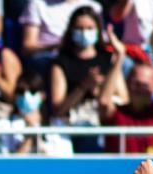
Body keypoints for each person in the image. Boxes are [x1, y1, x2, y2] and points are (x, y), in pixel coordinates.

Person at [99, 21, 153, 154]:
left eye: (145, 85)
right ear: (128, 83)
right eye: (136, 83)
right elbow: (104, 101)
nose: (140, 89)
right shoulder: (117, 114)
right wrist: (120, 56)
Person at [49, 6, 122, 151]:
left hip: (103, 122)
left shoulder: (107, 59)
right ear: (71, 30)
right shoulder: (61, 62)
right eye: (79, 28)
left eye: (89, 28)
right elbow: (58, 110)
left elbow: (123, 98)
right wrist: (83, 86)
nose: (84, 32)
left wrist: (101, 89)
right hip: (74, 123)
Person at [0, 69, 74, 154]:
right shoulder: (4, 126)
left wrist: (38, 137)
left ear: (43, 95)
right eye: (21, 91)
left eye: (33, 91)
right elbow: (9, 164)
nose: (26, 95)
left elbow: (64, 162)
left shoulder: (57, 125)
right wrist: (31, 134)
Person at [19, 0, 102, 74]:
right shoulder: (37, 4)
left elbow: (101, 40)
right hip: (50, 59)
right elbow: (27, 47)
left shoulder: (94, 6)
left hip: (84, 58)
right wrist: (56, 46)